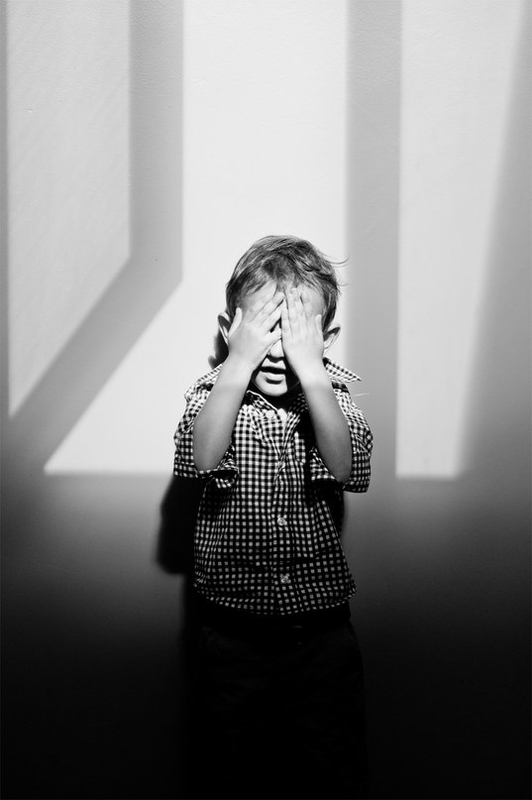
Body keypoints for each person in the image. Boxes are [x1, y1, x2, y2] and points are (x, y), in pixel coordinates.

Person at [173, 235, 373, 799]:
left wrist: (315, 373)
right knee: (232, 772)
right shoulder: (211, 397)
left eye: (297, 332)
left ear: (326, 338)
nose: (280, 350)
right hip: (233, 637)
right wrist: (238, 363)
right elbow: (198, 460)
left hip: (322, 636)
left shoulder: (333, 399)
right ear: (230, 329)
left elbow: (346, 468)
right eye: (266, 329)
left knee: (331, 770)